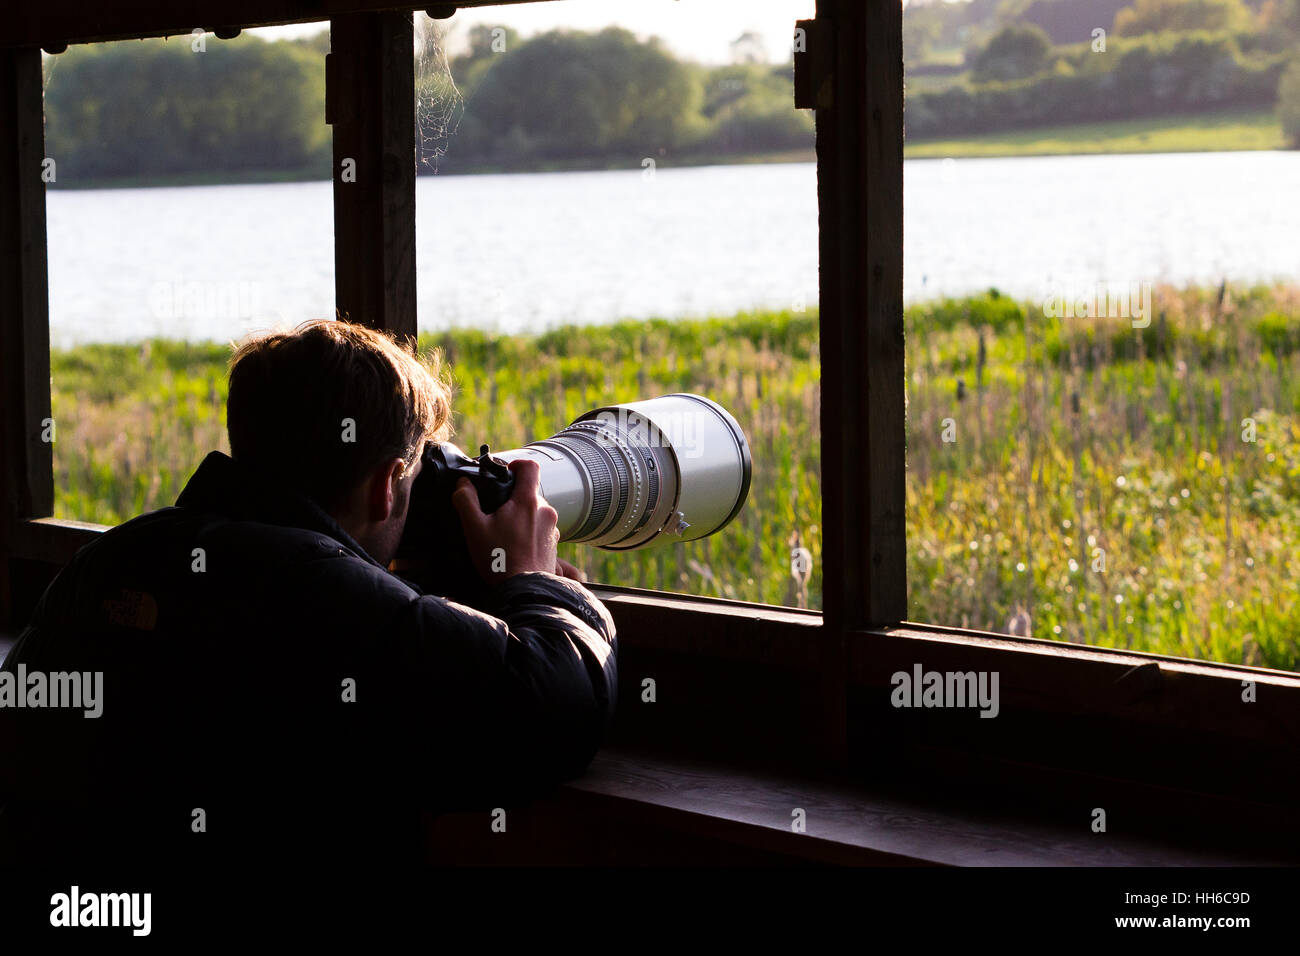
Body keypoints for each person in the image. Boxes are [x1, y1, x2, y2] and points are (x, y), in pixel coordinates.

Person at [0, 318, 618, 864]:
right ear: (383, 486)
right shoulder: (324, 597)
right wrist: (533, 579)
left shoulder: (110, 559)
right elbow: (551, 705)